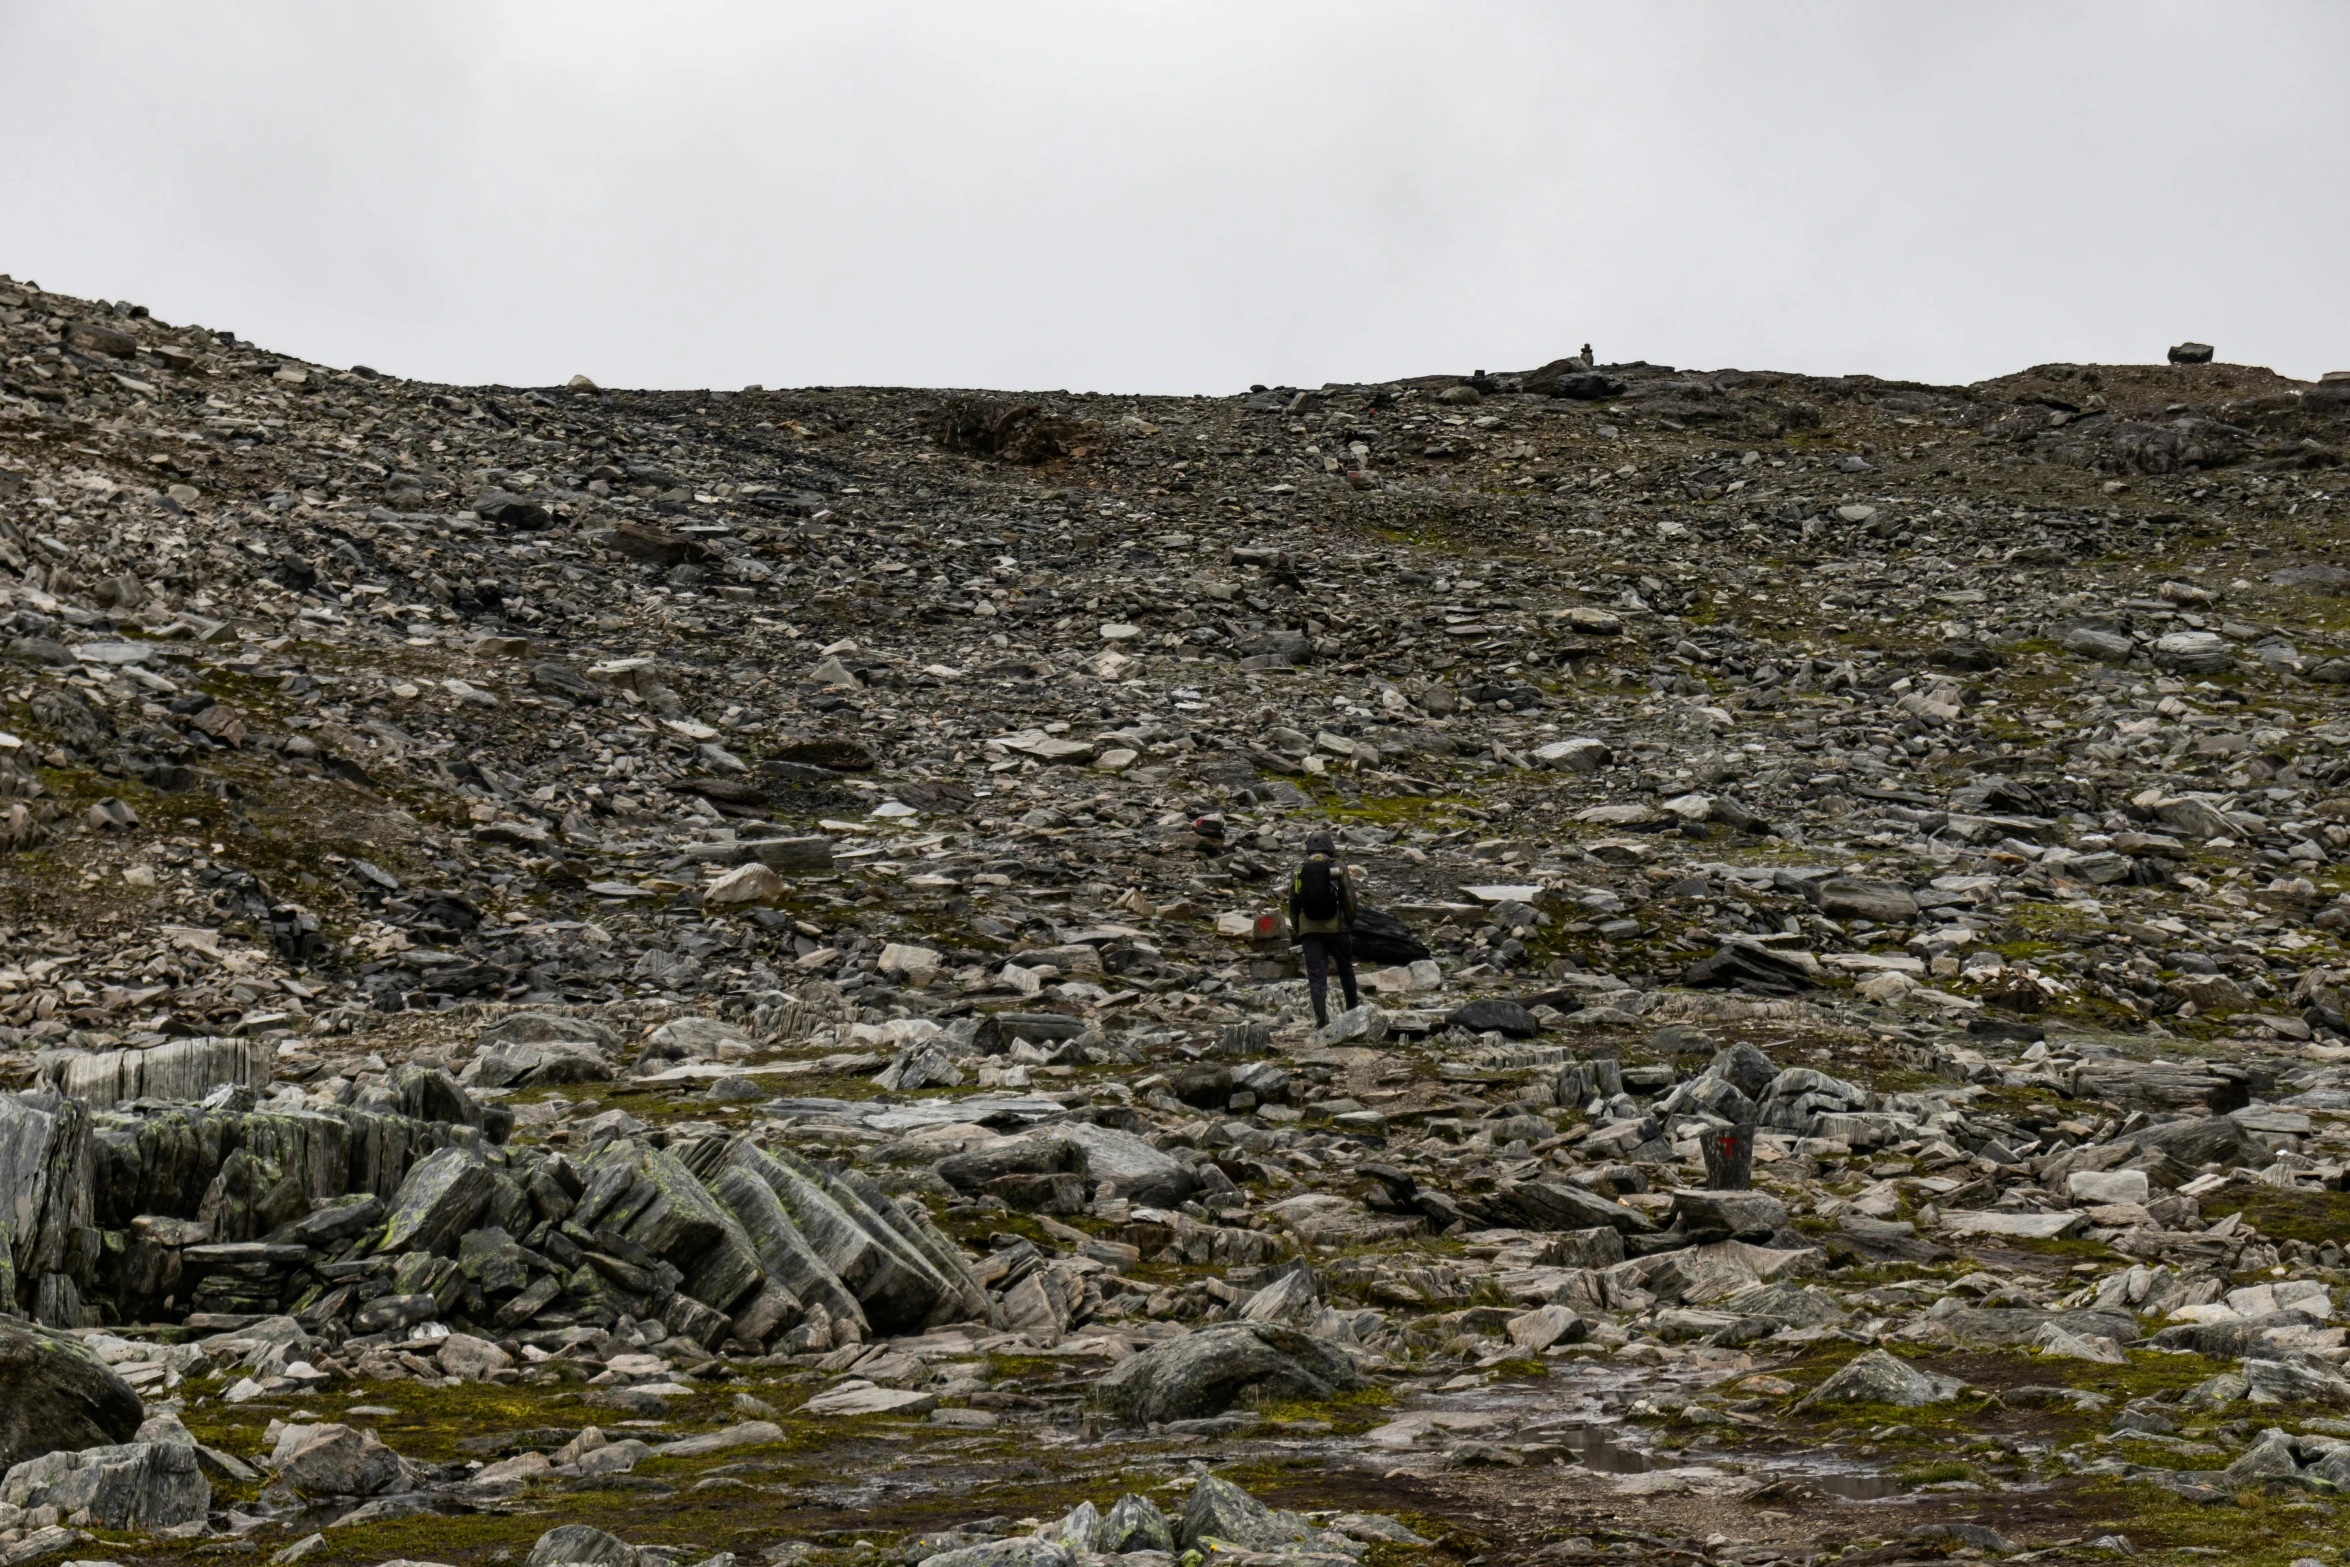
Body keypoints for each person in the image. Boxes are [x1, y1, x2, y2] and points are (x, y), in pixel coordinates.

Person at [1289, 829, 1359, 1027]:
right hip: (1337, 929)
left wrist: (1299, 929)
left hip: (1309, 932)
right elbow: (1349, 900)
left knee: (1316, 977)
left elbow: (1293, 902)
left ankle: (1321, 1020)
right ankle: (1352, 1015)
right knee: (1346, 970)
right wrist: (1348, 923)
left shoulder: (1299, 869)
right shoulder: (1338, 866)